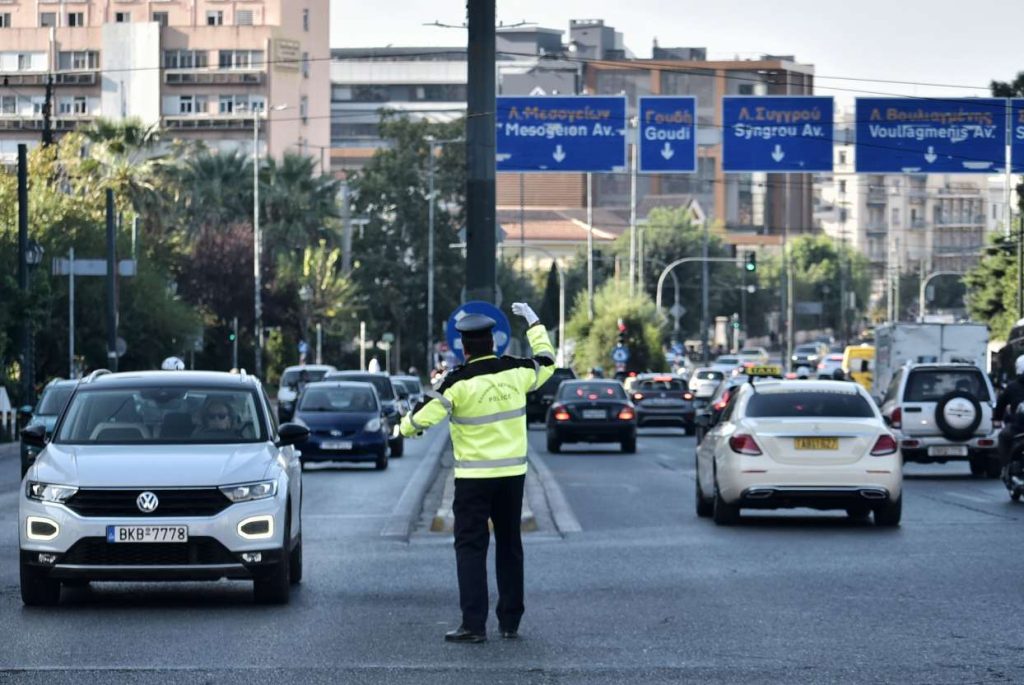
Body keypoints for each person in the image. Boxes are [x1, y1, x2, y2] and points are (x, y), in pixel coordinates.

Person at [400, 303, 555, 643]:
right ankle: (510, 622)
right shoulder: (517, 372)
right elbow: (547, 361)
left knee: (471, 549)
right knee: (510, 546)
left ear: (465, 348)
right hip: (513, 477)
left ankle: (473, 625)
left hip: (473, 482)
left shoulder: (456, 382)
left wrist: (403, 427)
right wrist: (534, 323)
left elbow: (421, 418)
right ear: (495, 343)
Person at [995, 354, 1024, 469]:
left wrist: (997, 419)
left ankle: (1006, 466)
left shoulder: (1012, 386)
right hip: (1018, 428)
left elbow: (1000, 404)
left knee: (1003, 436)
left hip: (1018, 428)